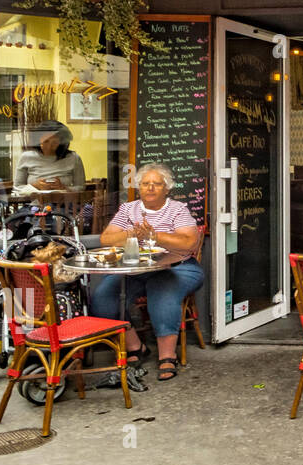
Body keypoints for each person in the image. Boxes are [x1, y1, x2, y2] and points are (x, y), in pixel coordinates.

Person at [90, 164, 202, 381]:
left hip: (178, 268)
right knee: (104, 297)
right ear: (138, 187)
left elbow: (189, 242)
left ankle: (167, 356)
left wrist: (155, 235)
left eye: (156, 184)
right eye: (145, 184)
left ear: (167, 188)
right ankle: (135, 346)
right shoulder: (128, 210)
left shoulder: (178, 209)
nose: (150, 188)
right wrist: (132, 233)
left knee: (162, 292)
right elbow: (106, 239)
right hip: (137, 268)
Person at [12, 121, 85, 191]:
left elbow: (80, 187)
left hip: (64, 202)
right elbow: (17, 188)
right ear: (38, 140)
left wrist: (64, 188)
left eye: (54, 142)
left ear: (61, 143)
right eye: (46, 141)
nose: (49, 146)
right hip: (34, 202)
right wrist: (35, 186)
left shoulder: (73, 158)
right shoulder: (27, 157)